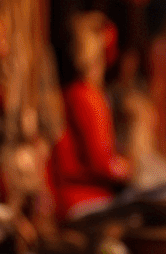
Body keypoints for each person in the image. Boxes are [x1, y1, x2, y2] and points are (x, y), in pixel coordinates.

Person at [49, 12, 131, 224]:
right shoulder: (88, 97)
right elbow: (101, 163)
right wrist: (128, 167)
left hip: (66, 198)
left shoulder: (69, 92)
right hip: (84, 200)